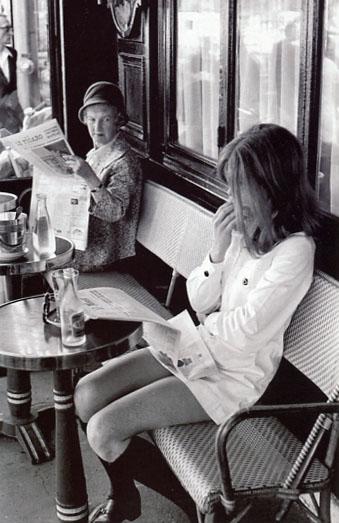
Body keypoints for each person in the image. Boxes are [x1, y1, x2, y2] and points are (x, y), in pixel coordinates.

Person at [74, 123, 321, 522]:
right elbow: (200, 300)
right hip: (196, 348)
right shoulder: (244, 232)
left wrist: (196, 328)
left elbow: (243, 337)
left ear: (271, 185)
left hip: (232, 377)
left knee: (103, 429)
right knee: (86, 394)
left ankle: (190, 506)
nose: (231, 198)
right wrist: (218, 251)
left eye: (239, 187)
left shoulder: (295, 252)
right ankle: (127, 496)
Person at [64, 81, 142, 272]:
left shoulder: (124, 161)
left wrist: (89, 177)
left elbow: (114, 212)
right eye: (92, 120)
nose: (97, 127)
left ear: (118, 120)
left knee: (46, 261)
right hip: (86, 241)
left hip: (103, 255)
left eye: (105, 119)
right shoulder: (96, 152)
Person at [0, 13, 23, 133]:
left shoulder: (12, 54)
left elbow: (12, 91)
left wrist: (22, 117)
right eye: (6, 28)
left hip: (12, 124)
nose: (11, 33)